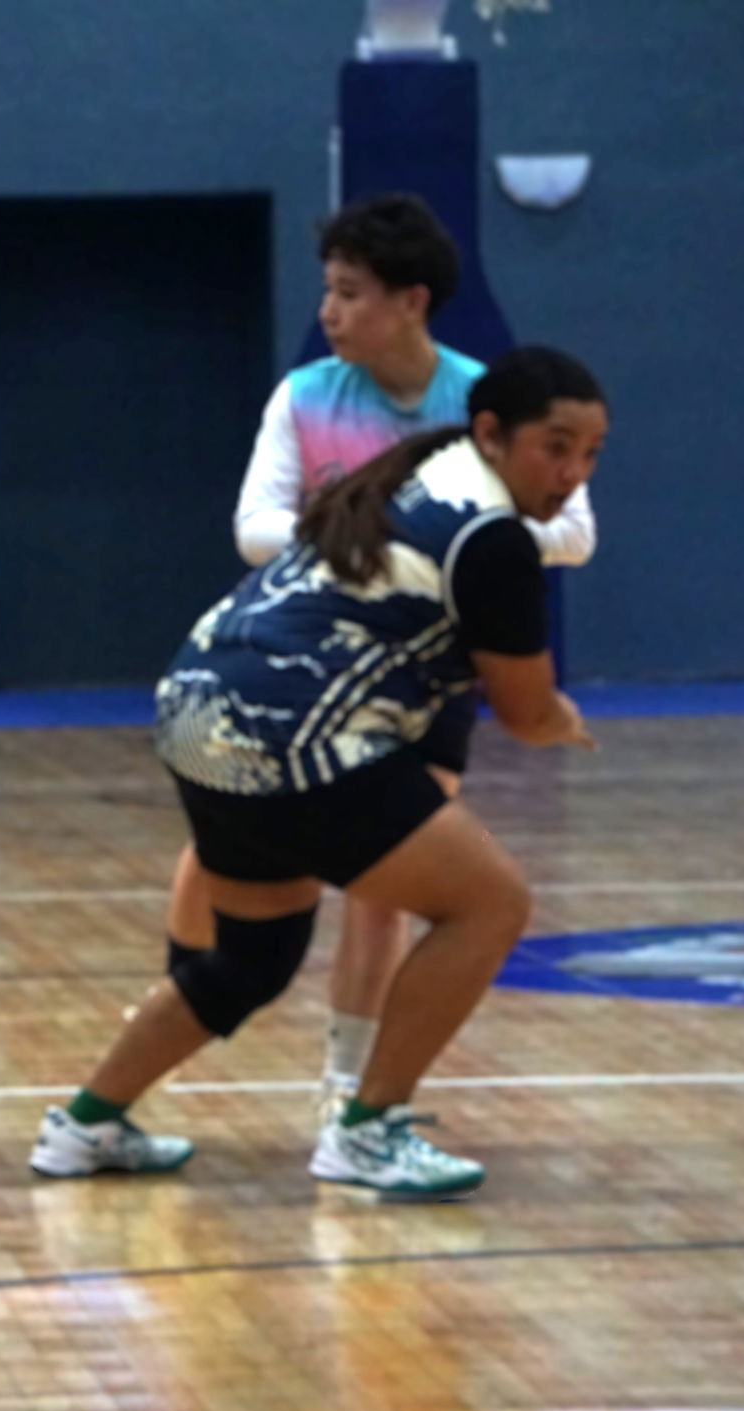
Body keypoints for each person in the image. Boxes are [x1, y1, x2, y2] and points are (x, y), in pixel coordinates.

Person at [30, 345, 606, 1199]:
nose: (572, 472)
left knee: (254, 958)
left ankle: (84, 1122)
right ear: (491, 433)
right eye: (556, 446)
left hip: (194, 707)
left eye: (591, 454)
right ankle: (369, 1129)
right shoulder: (493, 538)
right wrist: (560, 718)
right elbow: (527, 712)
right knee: (491, 901)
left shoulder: (422, 468)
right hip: (288, 730)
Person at [179, 194, 596, 1122]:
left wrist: (436, 547)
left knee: (386, 889)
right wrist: (374, 540)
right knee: (210, 852)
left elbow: (572, 528)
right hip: (305, 673)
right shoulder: (306, 395)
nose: (329, 311)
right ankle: (183, 999)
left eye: (349, 292)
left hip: (422, 677)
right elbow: (254, 528)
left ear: (411, 300)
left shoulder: (490, 402)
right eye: (327, 291)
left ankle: (348, 1085)